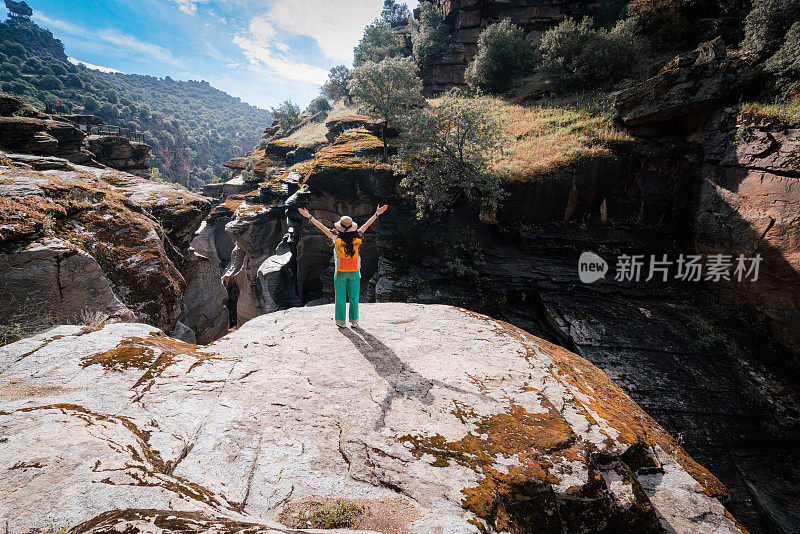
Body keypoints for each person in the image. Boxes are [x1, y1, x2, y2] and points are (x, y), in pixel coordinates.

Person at [298, 205, 388, 328]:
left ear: (340, 227)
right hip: (354, 272)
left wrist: (309, 216)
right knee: (354, 297)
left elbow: (321, 227)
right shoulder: (357, 236)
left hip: (340, 272)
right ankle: (354, 321)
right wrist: (376, 214)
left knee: (340, 297)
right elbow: (367, 225)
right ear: (352, 227)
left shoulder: (336, 238)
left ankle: (341, 321)